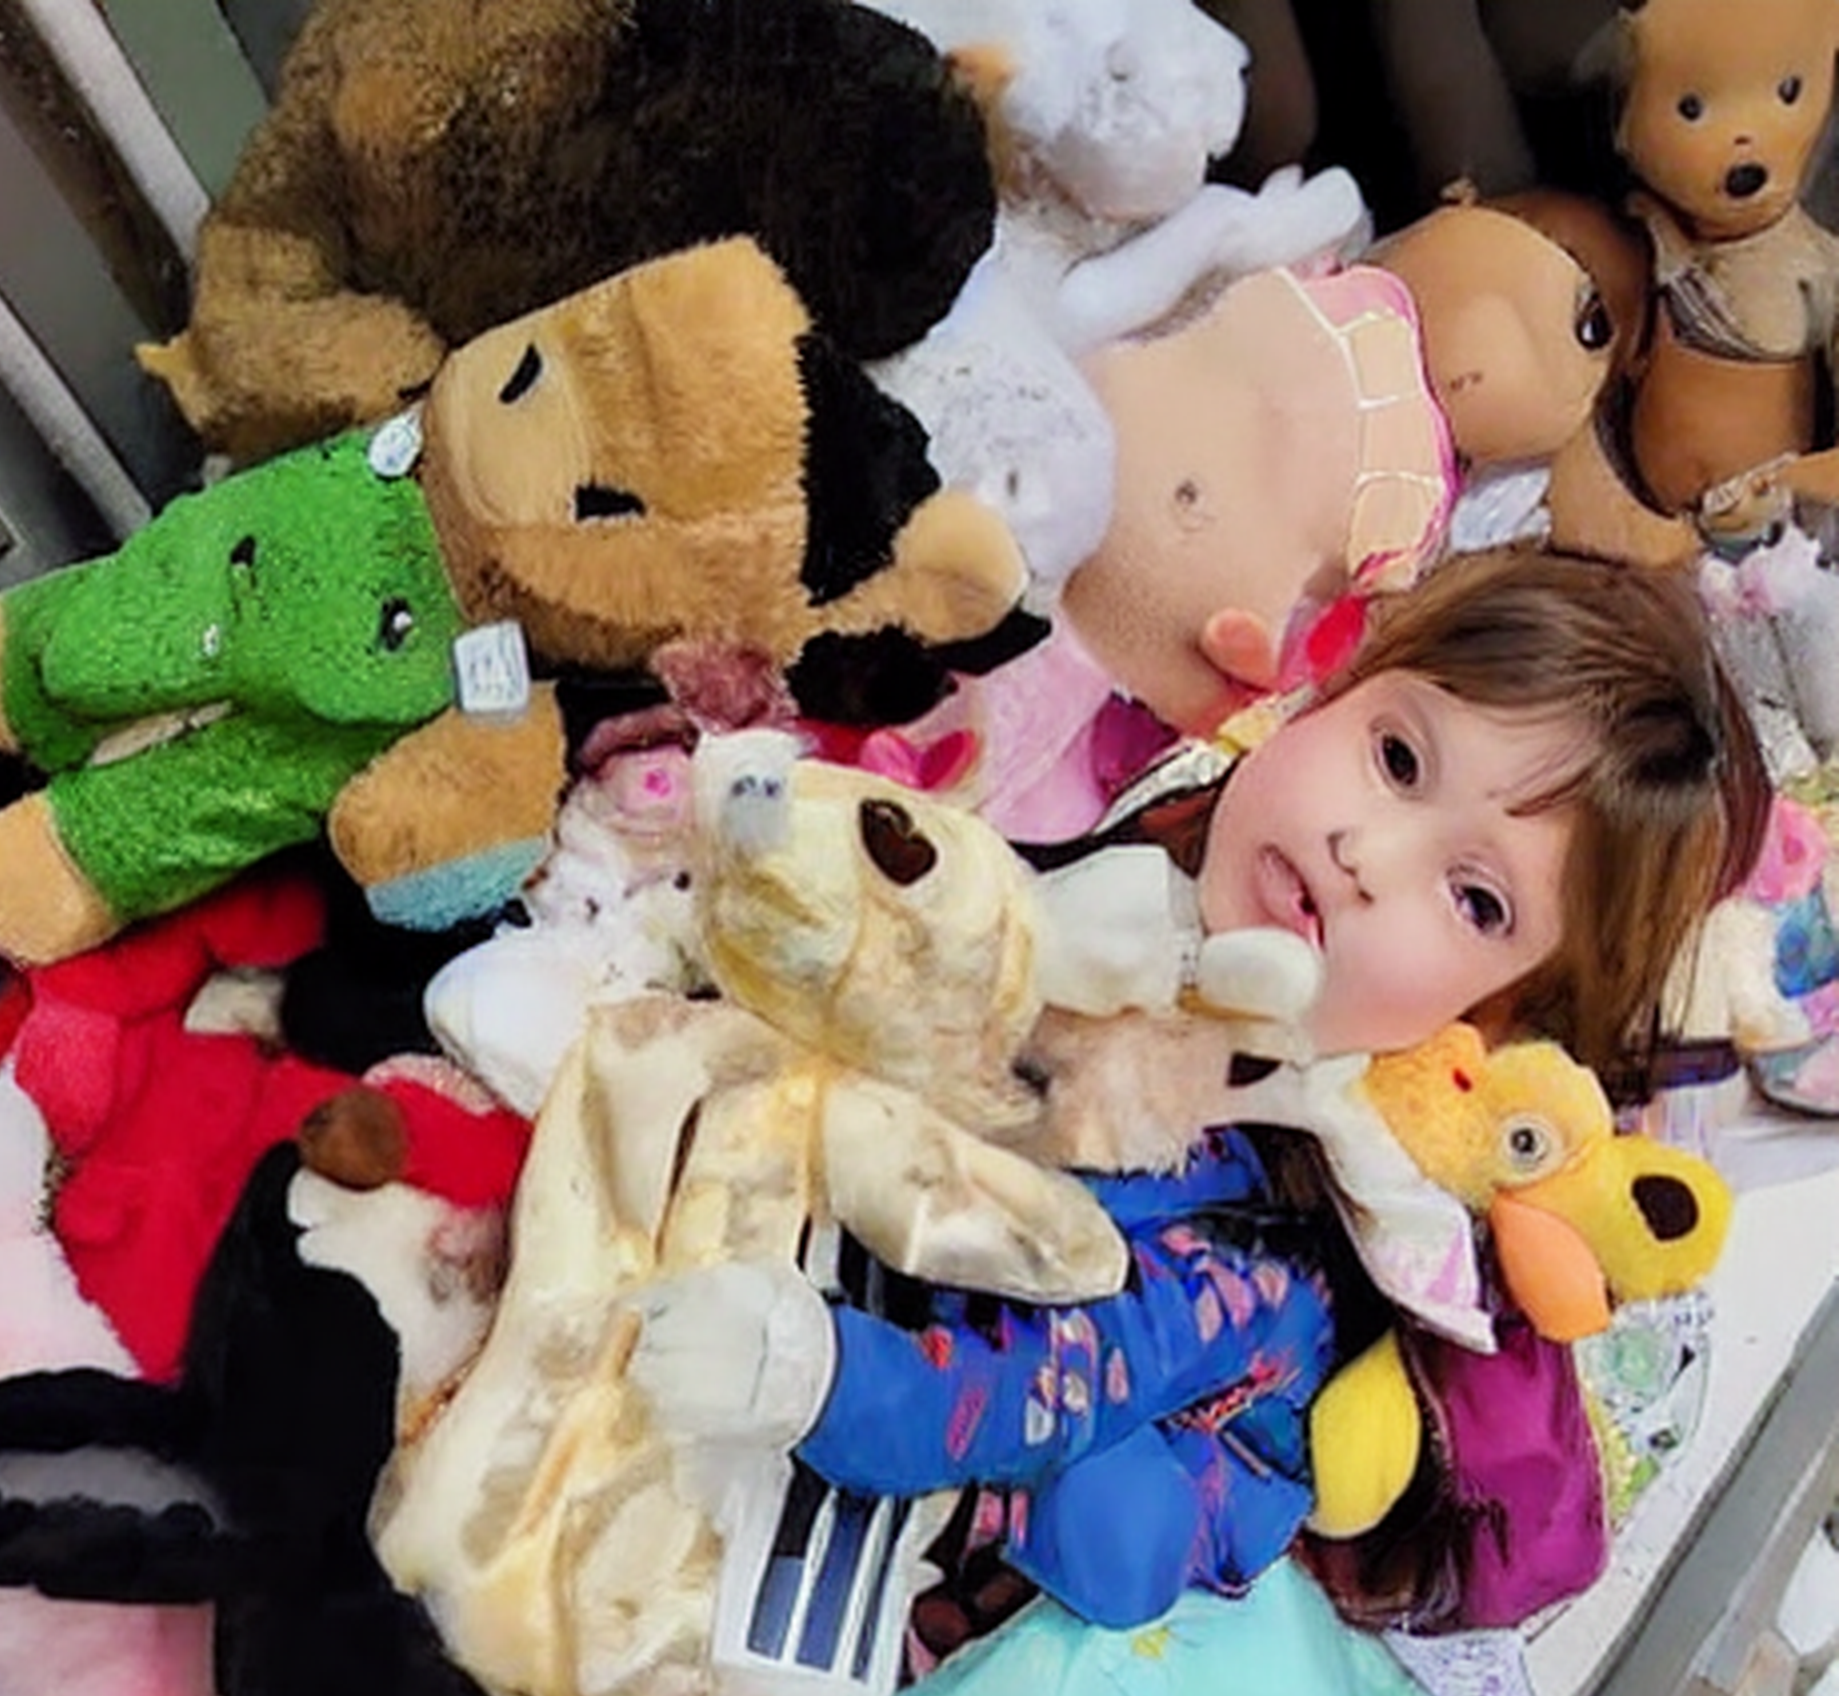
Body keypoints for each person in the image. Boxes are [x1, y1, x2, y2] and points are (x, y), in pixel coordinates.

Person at [628, 544, 1771, 1634]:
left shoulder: (1278, 1235)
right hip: (767, 1269)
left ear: (1497, 1019)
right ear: (1328, 693)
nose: (1366, 854)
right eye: (1396, 759)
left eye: (1473, 899)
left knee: (1106, 1518)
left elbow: (1035, 1386)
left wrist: (813, 1370)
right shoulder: (1124, 861)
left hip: (885, 1500)